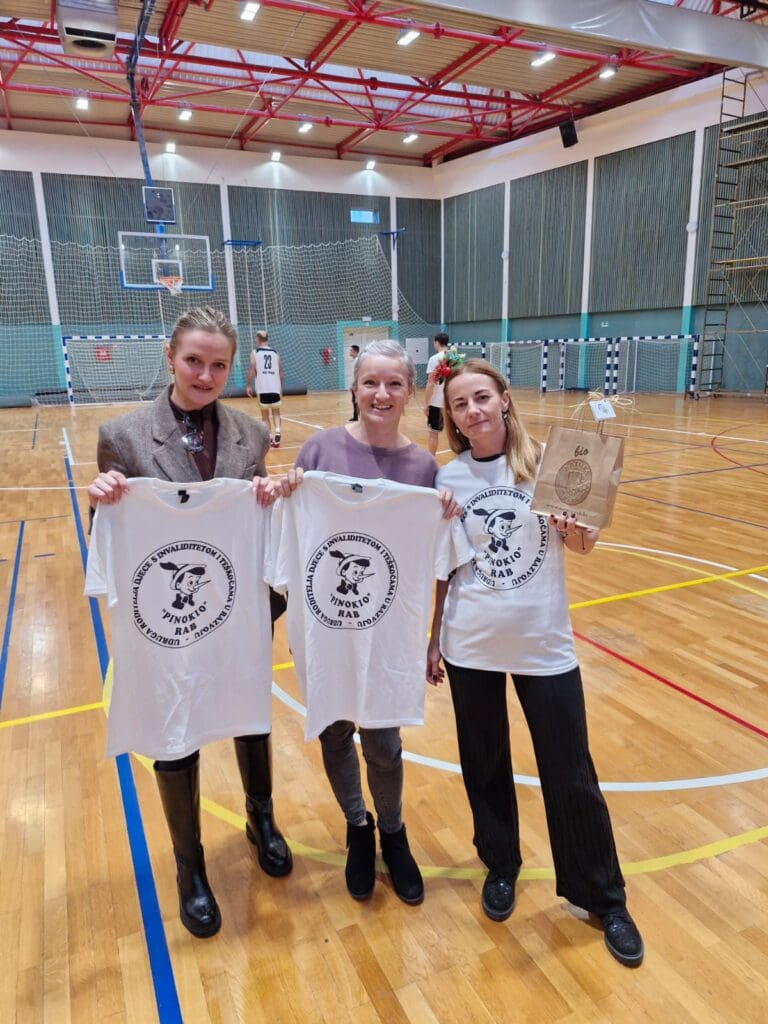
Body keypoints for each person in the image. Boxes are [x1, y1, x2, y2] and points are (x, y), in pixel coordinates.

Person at [426, 357, 644, 968]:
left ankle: (603, 897)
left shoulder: (553, 461)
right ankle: (501, 865)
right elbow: (446, 566)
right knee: (484, 762)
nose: (472, 411)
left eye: (481, 398)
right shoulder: (448, 476)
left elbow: (584, 543)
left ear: (504, 398)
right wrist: (433, 637)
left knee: (571, 771)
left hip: (543, 643)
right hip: (470, 641)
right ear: (453, 418)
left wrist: (575, 521)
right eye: (460, 404)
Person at [87, 307, 292, 939]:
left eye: (218, 365)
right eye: (194, 361)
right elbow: (112, 539)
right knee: (174, 729)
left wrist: (268, 497)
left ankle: (261, 818)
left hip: (236, 604)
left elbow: (261, 527)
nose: (205, 375)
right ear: (170, 358)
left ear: (232, 368)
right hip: (168, 617)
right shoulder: (122, 436)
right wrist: (103, 502)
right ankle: (189, 865)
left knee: (249, 713)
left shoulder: (250, 434)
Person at [278, 339, 459, 907]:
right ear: (354, 389)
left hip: (386, 633)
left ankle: (393, 832)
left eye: (394, 383)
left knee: (383, 741)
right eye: (371, 383)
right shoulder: (317, 450)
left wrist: (444, 511)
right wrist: (282, 490)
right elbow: (289, 534)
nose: (382, 393)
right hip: (326, 627)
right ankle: (358, 827)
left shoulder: (424, 468)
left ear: (410, 392)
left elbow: (438, 562)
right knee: (335, 731)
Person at [247, 329, 283, 448]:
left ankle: (269, 437)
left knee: (265, 415)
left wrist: (248, 385)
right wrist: (280, 387)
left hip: (263, 388)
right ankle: (278, 431)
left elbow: (252, 369)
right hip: (275, 387)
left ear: (258, 339)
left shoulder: (255, 352)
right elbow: (280, 372)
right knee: (276, 412)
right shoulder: (275, 353)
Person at [424, 332, 450, 455]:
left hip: (436, 402)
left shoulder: (434, 359)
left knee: (433, 434)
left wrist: (426, 404)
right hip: (452, 401)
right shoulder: (455, 357)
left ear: (436, 342)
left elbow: (431, 383)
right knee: (456, 432)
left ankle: (431, 461)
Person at [348, 343, 360, 422]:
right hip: (354, 384)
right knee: (354, 401)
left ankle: (357, 417)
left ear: (355, 352)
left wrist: (354, 384)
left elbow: (357, 374)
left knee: (356, 401)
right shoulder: (354, 361)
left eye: (351, 350)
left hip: (356, 385)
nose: (349, 352)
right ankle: (355, 417)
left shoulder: (357, 361)